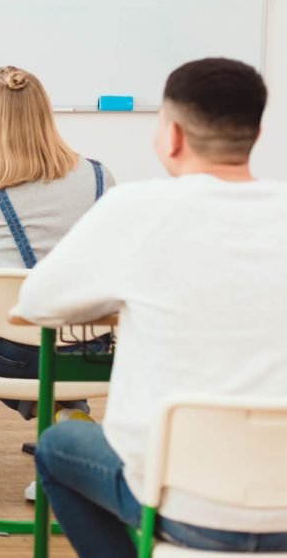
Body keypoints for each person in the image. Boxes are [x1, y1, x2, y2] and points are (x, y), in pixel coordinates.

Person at [19, 58, 287, 555]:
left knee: (56, 448)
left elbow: (35, 303)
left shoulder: (135, 209)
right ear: (255, 133)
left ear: (173, 136)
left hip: (181, 502)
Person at [0, 65, 114, 422]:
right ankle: (69, 415)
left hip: (17, 351)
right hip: (90, 343)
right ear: (45, 113)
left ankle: (49, 412)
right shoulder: (101, 176)